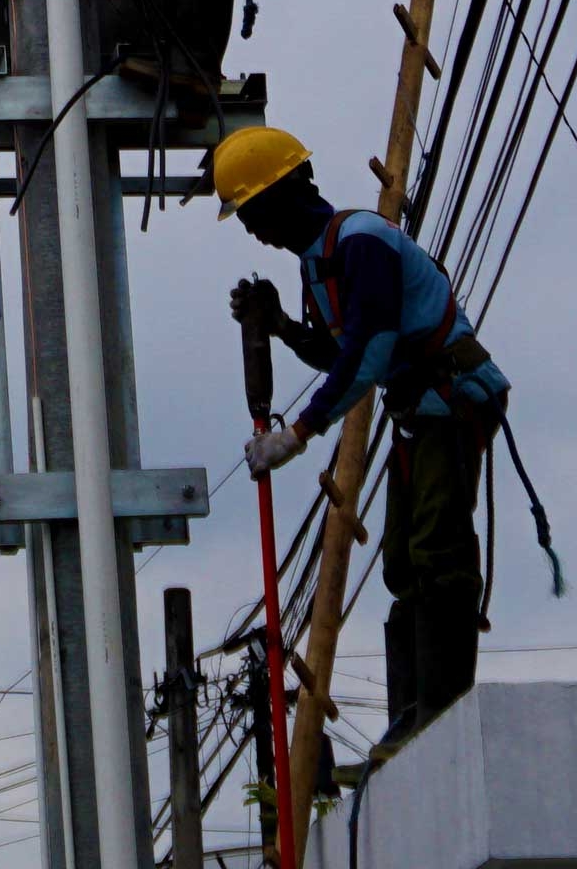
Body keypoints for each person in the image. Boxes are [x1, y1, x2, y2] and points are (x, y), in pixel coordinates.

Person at [210, 125, 507, 749]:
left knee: (436, 549)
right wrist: (285, 326)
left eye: (253, 213)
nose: (252, 230)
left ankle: (441, 712)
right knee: (403, 558)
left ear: (286, 193)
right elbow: (340, 351)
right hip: (418, 409)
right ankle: (413, 719)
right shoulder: (318, 262)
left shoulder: (361, 243)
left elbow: (369, 353)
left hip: (450, 401)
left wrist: (297, 436)